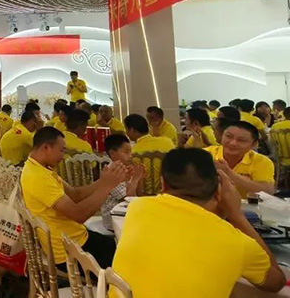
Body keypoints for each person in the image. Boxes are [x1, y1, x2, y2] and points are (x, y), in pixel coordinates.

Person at [112, 149, 286, 298]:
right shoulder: (238, 243)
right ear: (219, 188)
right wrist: (237, 216)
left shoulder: (138, 208)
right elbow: (276, 282)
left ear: (163, 184)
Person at [21, 127, 127, 268]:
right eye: (61, 150)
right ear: (46, 147)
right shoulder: (37, 177)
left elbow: (75, 194)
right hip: (69, 252)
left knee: (123, 246)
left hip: (76, 238)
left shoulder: (39, 169)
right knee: (127, 261)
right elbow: (79, 214)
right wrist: (106, 187)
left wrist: (104, 181)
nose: (63, 156)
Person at [205, 120, 275, 198]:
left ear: (254, 144)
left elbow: (267, 191)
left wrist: (229, 173)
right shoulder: (206, 154)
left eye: (241, 140)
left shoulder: (262, 161)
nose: (233, 143)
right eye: (228, 136)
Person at [100, 134, 144, 231]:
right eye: (126, 152)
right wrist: (135, 180)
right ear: (112, 154)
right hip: (113, 218)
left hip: (126, 213)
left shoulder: (127, 168)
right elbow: (127, 200)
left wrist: (139, 179)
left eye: (130, 152)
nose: (130, 155)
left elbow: (139, 195)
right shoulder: (111, 172)